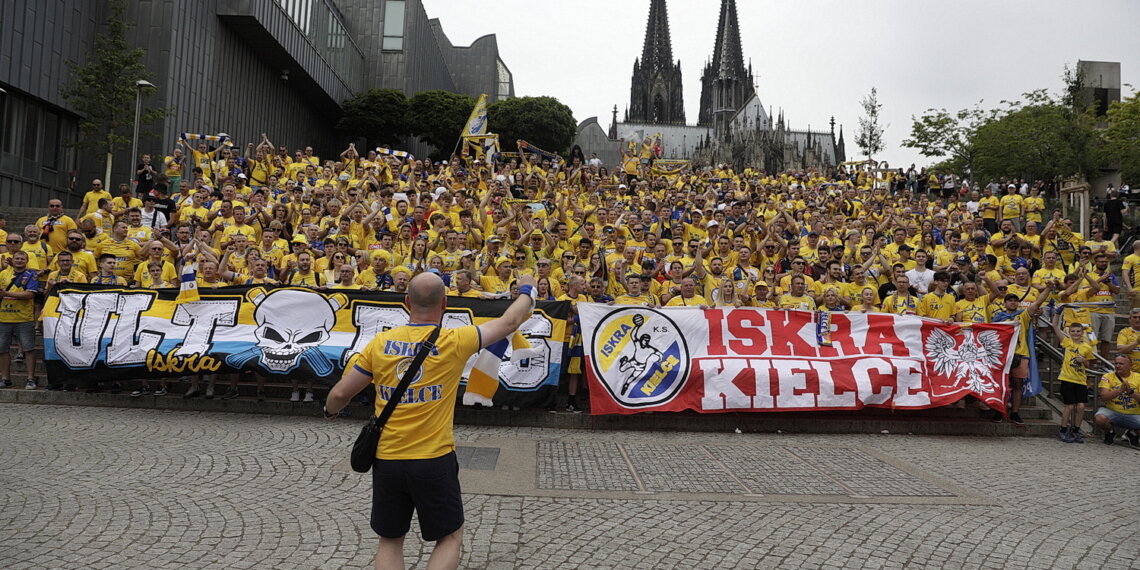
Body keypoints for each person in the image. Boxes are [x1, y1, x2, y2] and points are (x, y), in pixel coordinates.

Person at [323, 272, 539, 570]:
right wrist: (528, 287)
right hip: (433, 458)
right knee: (449, 537)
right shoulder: (456, 340)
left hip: (387, 459)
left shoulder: (381, 343)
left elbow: (340, 393)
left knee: (390, 539)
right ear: (445, 303)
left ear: (407, 301)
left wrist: (330, 411)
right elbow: (509, 323)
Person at [1051, 315, 1094, 443]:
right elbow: (1055, 327)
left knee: (1081, 406)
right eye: (1073, 331)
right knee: (1069, 406)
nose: (1075, 333)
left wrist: (1084, 360)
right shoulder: (1067, 342)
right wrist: (1057, 314)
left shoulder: (1087, 347)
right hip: (1067, 378)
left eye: (1078, 331)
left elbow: (1089, 365)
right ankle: (1063, 430)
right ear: (1069, 333)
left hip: (1080, 379)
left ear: (1082, 333)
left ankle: (1076, 430)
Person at [1, 251, 40, 389]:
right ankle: (5, 378)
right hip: (3, 317)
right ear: (13, 259)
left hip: (24, 318)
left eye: (22, 258)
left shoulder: (31, 274)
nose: (19, 260)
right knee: (2, 350)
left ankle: (30, 378)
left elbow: (29, 294)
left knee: (29, 349)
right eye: (17, 258)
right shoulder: (3, 273)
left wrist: (6, 293)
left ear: (27, 260)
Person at [1094, 355, 1140, 448]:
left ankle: (1132, 434)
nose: (1118, 366)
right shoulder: (1107, 376)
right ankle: (1110, 432)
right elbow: (1103, 397)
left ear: (1130, 365)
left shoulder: (1138, 377)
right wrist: (1119, 391)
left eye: (1121, 364)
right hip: (1113, 412)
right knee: (1099, 417)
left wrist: (1131, 393)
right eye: (1116, 363)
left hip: (1133, 414)